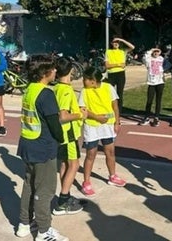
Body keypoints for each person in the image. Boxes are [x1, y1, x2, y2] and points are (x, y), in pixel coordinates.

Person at [15, 54, 68, 241]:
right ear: (45, 72)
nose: (55, 71)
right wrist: (62, 139)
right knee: (45, 190)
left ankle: (24, 223)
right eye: (53, 69)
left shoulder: (30, 89)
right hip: (43, 147)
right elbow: (54, 123)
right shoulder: (46, 94)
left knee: (29, 184)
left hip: (28, 144)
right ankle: (44, 231)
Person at [80, 67, 127, 197]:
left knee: (110, 152)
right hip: (92, 126)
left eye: (85, 79)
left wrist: (117, 122)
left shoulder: (108, 88)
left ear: (93, 81)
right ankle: (86, 182)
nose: (83, 81)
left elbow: (115, 106)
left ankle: (112, 176)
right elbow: (83, 110)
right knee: (91, 154)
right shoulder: (84, 92)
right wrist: (96, 117)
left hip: (107, 126)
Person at [52, 56, 88, 216]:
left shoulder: (57, 88)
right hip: (69, 134)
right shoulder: (65, 91)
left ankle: (65, 195)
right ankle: (62, 201)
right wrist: (80, 114)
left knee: (65, 164)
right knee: (74, 165)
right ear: (71, 70)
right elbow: (63, 116)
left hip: (62, 135)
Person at [105, 36, 135, 114]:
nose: (116, 44)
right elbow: (107, 65)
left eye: (117, 42)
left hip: (120, 74)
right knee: (110, 93)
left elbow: (132, 47)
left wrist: (121, 39)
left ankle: (119, 113)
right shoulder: (108, 52)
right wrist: (118, 64)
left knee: (119, 94)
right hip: (111, 74)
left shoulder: (122, 51)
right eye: (114, 42)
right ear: (111, 43)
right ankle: (110, 110)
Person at [139, 47, 165, 127]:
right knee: (149, 100)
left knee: (158, 100)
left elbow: (166, 64)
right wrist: (151, 50)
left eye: (157, 52)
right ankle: (147, 116)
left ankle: (156, 117)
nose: (156, 53)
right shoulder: (149, 60)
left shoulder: (161, 59)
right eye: (154, 52)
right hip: (151, 83)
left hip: (160, 82)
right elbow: (145, 56)